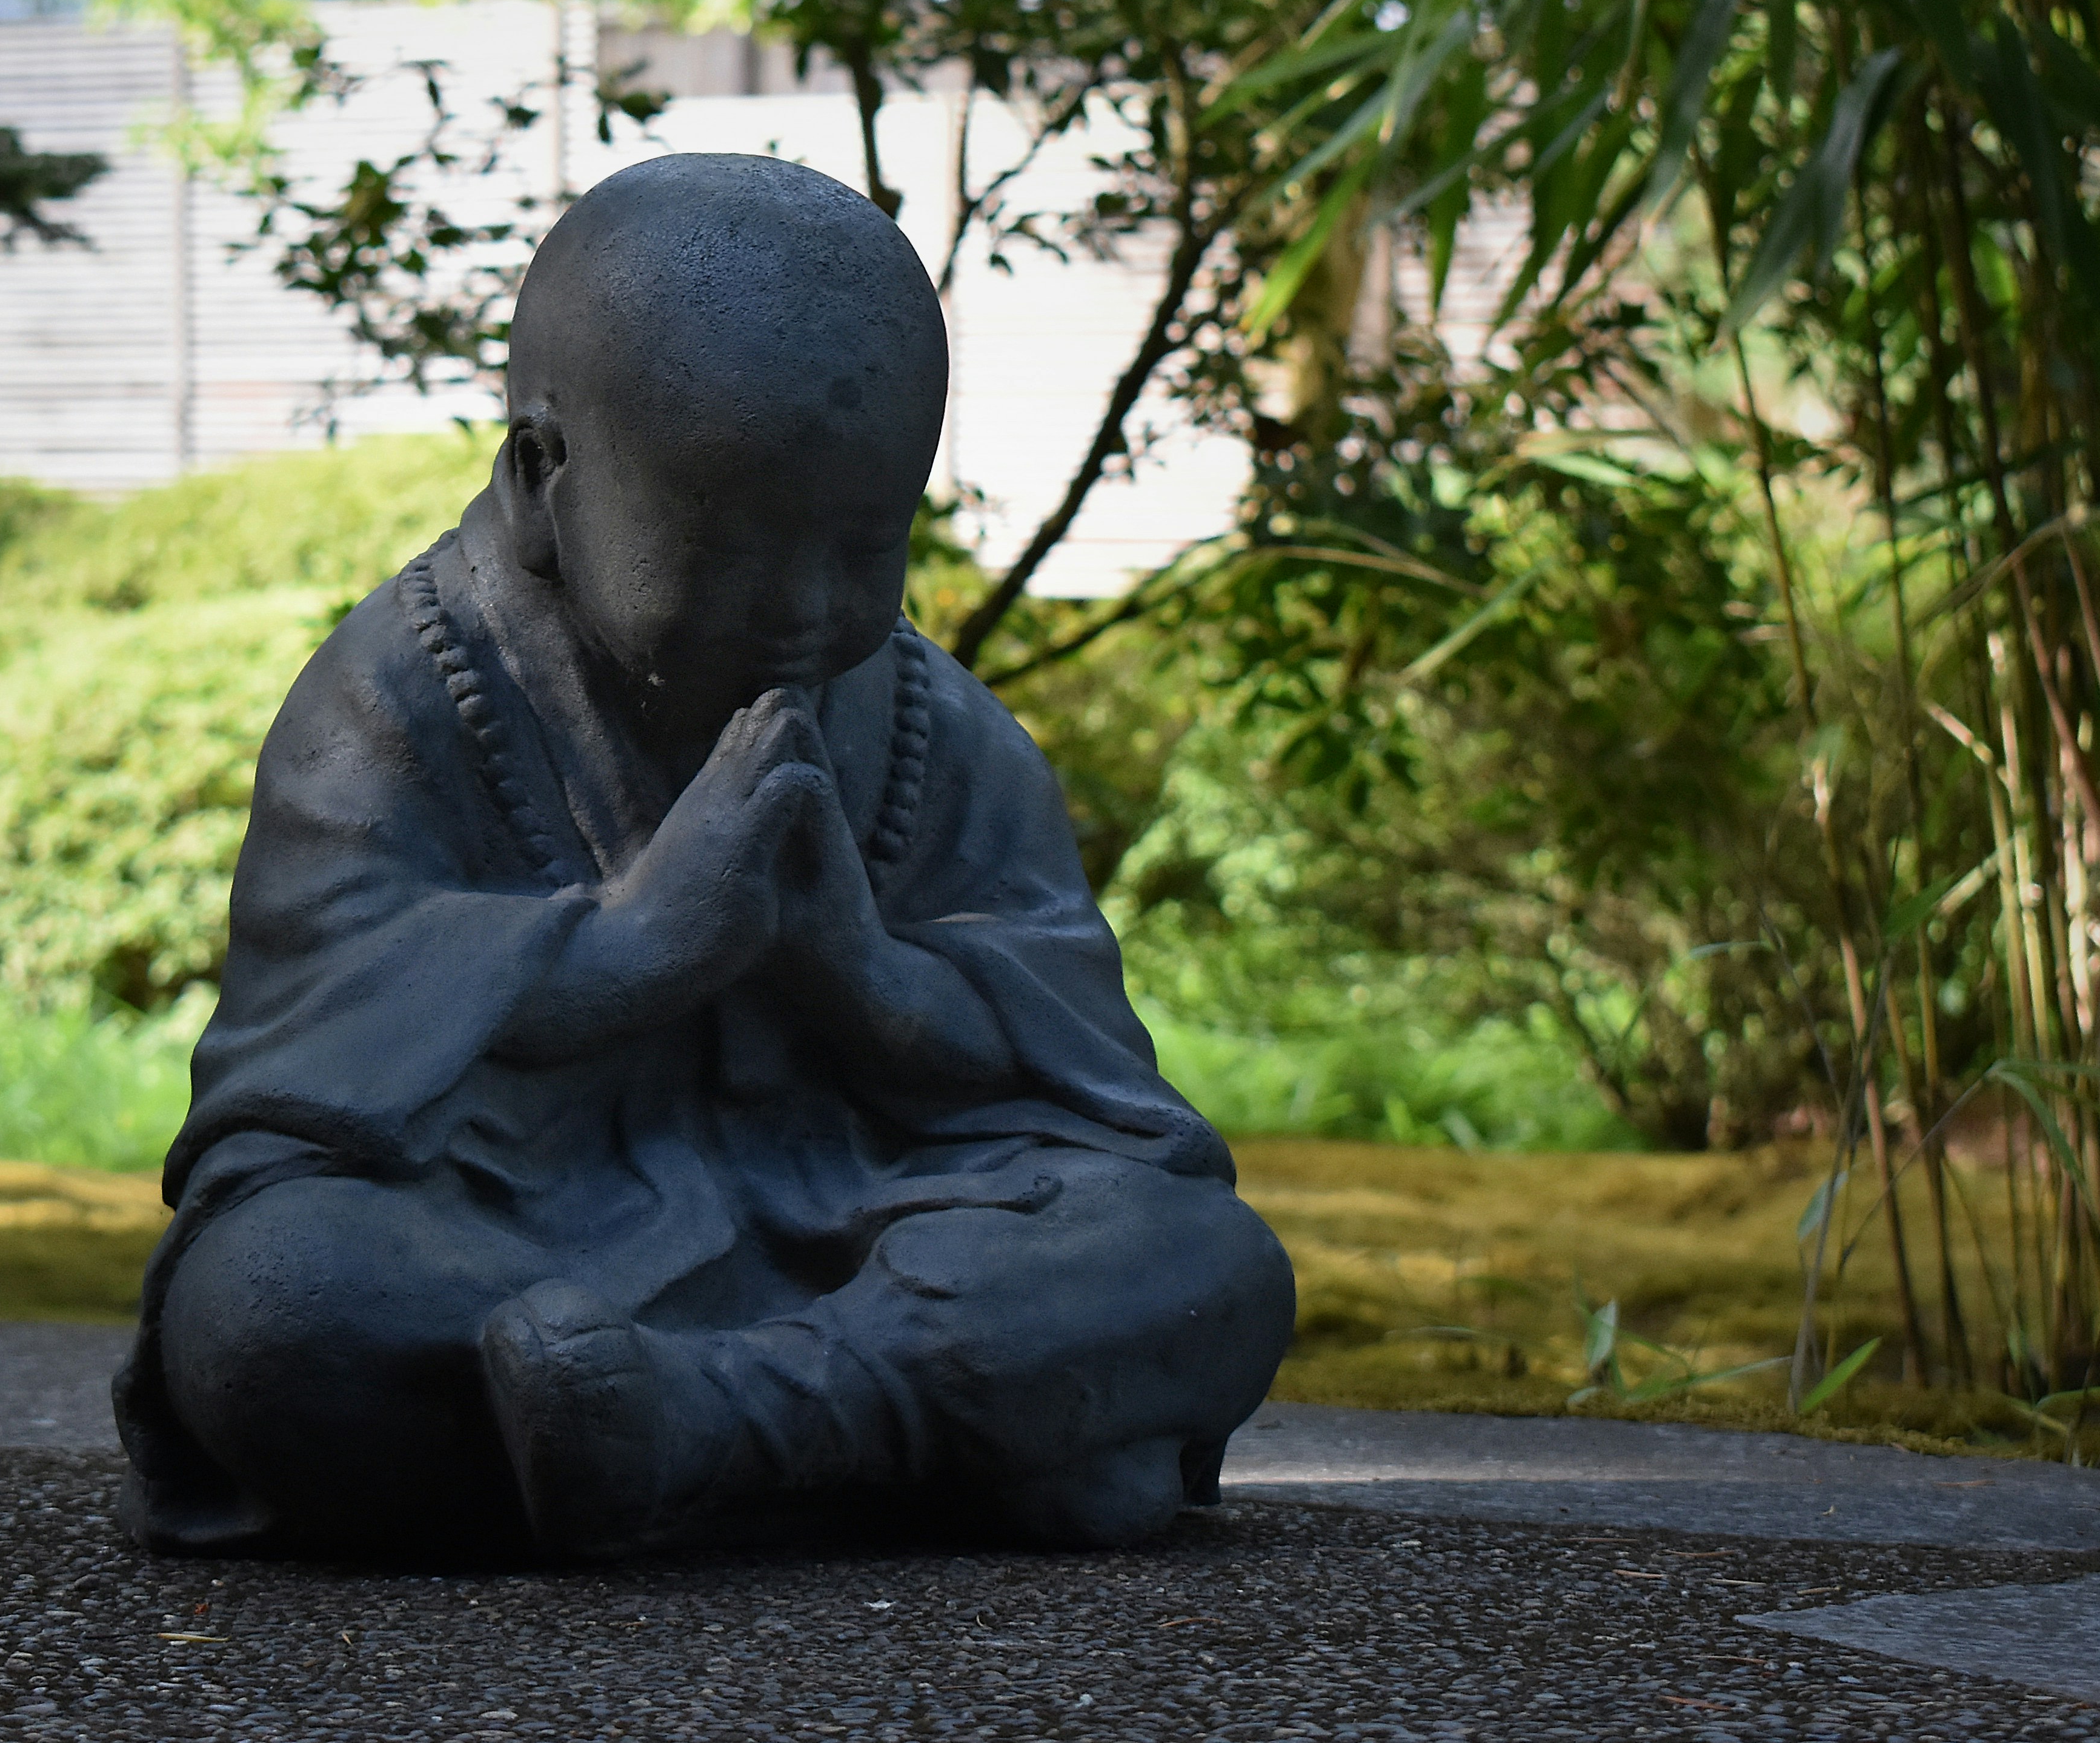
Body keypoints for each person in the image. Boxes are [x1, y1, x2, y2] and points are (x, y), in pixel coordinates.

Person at [113, 152, 1292, 1558]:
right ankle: (937, 1439)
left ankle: (702, 1429)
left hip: (870, 1230)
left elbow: (1091, 1084)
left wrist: (863, 974)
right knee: (274, 1299)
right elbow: (304, 1071)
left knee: (1203, 1261)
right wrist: (632, 946)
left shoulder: (930, 723)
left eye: (865, 546)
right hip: (532, 1243)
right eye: (729, 549)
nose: (804, 607)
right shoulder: (403, 693)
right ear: (543, 473)